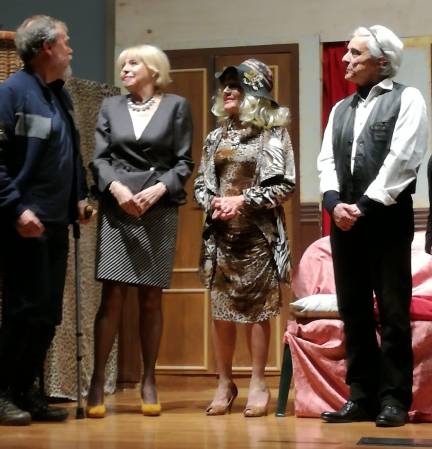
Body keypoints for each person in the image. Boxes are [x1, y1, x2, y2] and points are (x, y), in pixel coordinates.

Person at [317, 25, 428, 427]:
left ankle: (394, 399)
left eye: (355, 53)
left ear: (382, 62)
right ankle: (361, 396)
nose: (346, 59)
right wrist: (333, 203)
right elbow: (326, 162)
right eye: (347, 52)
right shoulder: (340, 109)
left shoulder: (407, 98)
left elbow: (403, 158)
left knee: (394, 311)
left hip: (386, 219)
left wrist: (363, 206)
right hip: (345, 221)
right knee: (354, 310)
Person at [87, 44, 193, 418]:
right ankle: (97, 381)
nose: (125, 69)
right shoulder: (110, 107)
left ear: (154, 69)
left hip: (158, 208)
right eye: (122, 64)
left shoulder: (177, 106)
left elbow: (183, 162)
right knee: (112, 296)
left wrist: (160, 188)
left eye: (133, 63)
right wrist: (116, 189)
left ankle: (149, 380)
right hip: (118, 208)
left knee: (151, 297)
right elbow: (100, 159)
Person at [0, 15, 92, 425]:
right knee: (22, 312)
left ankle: (26, 390)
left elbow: (69, 154)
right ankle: (2, 392)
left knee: (47, 314)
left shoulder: (59, 96)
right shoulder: (12, 93)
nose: (71, 48)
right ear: (46, 48)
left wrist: (79, 197)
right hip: (23, 224)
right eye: (65, 41)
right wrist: (16, 207)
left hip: (56, 224)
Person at [194, 59, 295, 417]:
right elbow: (201, 183)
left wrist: (243, 200)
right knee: (221, 311)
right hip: (221, 238)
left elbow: (284, 185)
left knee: (257, 313)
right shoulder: (216, 136)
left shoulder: (273, 134)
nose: (227, 91)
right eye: (225, 85)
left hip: (258, 238)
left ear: (255, 91)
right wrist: (213, 203)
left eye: (236, 85)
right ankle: (225, 382)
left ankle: (257, 381)